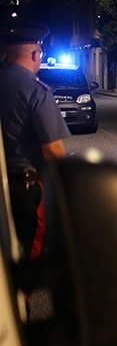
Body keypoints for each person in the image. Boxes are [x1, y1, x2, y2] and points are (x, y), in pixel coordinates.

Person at [0, 22, 69, 263]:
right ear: (35, 54)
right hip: (23, 188)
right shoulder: (36, 90)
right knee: (27, 257)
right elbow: (53, 150)